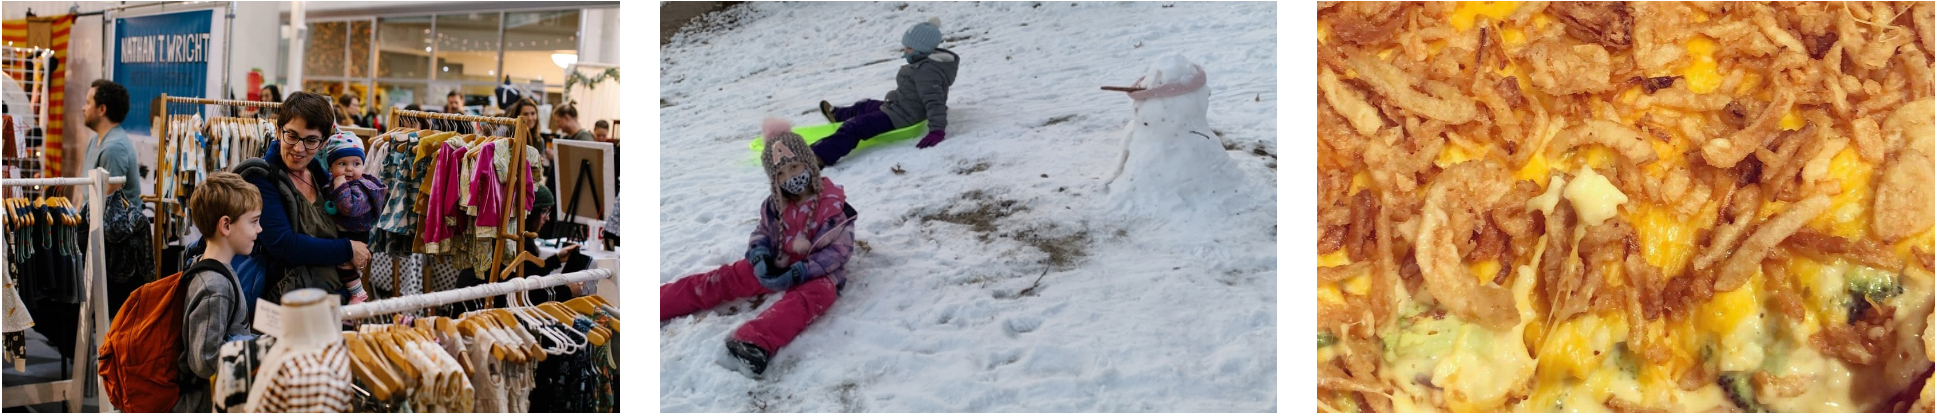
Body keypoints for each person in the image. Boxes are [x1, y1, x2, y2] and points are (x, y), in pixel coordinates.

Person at [662, 119, 857, 377]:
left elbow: (839, 252)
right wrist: (760, 254)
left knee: (811, 298)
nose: (790, 177)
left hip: (818, 273)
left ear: (809, 165)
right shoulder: (774, 205)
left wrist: (801, 272)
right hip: (778, 262)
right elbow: (762, 232)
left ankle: (753, 341)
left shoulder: (834, 206)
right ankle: (661, 301)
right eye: (781, 174)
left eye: (795, 167)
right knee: (724, 278)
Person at [234, 91, 371, 306]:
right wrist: (347, 250)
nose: (299, 148)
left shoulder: (322, 175)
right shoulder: (261, 178)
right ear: (279, 131)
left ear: (324, 143)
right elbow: (283, 245)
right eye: (292, 136)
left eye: (311, 140)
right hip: (283, 306)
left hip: (332, 299)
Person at [811, 17, 959, 166]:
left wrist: (937, 130)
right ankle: (836, 115)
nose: (904, 51)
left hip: (903, 116)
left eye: (909, 48)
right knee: (866, 105)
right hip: (900, 105)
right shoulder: (924, 63)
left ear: (923, 49)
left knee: (856, 126)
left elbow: (934, 101)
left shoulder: (927, 71)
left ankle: (819, 157)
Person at [176, 172, 261, 413]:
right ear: (225, 225)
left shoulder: (208, 266)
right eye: (253, 221)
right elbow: (204, 361)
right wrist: (255, 349)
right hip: (208, 403)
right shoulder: (215, 287)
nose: (259, 229)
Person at [81, 79, 154, 316]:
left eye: (88, 102)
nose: (83, 107)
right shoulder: (97, 140)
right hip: (100, 235)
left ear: (101, 109)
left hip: (116, 247)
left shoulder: (114, 148)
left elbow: (106, 207)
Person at [318, 132, 383, 305]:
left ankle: (358, 293)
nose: (349, 169)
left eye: (356, 164)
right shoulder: (335, 181)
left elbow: (347, 207)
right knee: (341, 266)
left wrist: (340, 186)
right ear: (330, 167)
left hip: (355, 233)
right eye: (342, 163)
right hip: (345, 230)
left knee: (345, 265)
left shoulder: (360, 187)